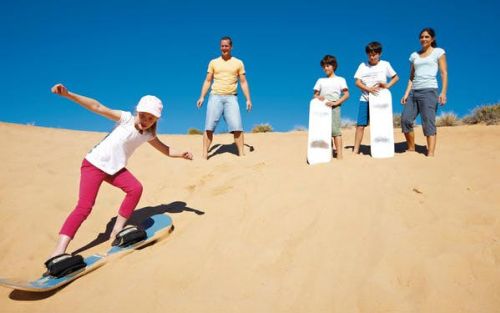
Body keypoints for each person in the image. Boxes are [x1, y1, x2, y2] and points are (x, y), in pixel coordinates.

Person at [47, 83, 193, 268]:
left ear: (155, 120)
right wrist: (68, 95)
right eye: (143, 115)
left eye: (151, 118)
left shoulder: (148, 134)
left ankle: (116, 231)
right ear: (137, 111)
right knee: (84, 207)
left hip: (114, 169)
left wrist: (182, 154)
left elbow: (165, 149)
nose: (146, 120)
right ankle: (58, 252)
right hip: (93, 165)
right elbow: (97, 107)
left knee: (135, 188)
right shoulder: (125, 118)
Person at [196, 36, 252, 159]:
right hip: (215, 97)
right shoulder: (213, 62)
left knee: (237, 126)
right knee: (209, 127)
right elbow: (207, 80)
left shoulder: (238, 63)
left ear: (231, 47)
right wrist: (202, 97)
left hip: (231, 98)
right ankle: (205, 155)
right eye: (222, 46)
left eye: (226, 46)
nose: (224, 48)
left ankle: (241, 154)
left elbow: (243, 82)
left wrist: (248, 99)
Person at [401, 27, 448, 157]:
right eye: (422, 37)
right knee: (405, 119)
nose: (424, 39)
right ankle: (411, 148)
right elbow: (411, 77)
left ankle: (430, 153)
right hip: (414, 92)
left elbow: (443, 73)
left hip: (429, 91)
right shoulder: (414, 55)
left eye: (427, 37)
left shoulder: (438, 52)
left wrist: (443, 92)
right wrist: (406, 94)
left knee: (428, 122)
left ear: (432, 39)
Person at [352, 41, 399, 154]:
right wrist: (368, 89)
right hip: (365, 99)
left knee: (381, 125)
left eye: (374, 54)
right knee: (360, 125)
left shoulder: (385, 64)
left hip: (381, 100)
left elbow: (396, 77)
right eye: (369, 54)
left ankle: (382, 148)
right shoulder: (362, 66)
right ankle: (356, 150)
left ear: (379, 54)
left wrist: (387, 86)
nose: (372, 56)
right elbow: (357, 82)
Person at [313, 55, 350, 159]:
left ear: (333, 66)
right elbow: (314, 95)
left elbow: (347, 94)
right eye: (324, 66)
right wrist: (318, 97)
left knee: (335, 131)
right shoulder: (320, 80)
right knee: (325, 131)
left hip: (335, 107)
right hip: (322, 107)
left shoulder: (340, 79)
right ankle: (328, 153)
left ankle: (339, 154)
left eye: (328, 66)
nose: (325, 68)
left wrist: (336, 103)